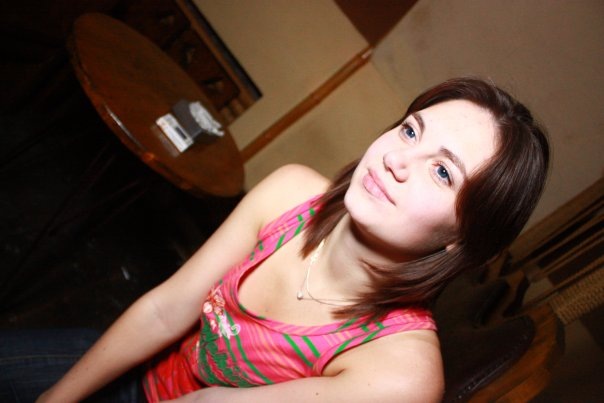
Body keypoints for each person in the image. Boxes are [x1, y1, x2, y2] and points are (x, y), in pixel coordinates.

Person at [31, 77, 548, 402]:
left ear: (463, 239)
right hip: (143, 367)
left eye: (442, 172)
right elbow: (165, 312)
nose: (396, 159)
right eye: (410, 131)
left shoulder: (400, 373)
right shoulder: (291, 192)